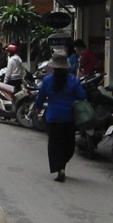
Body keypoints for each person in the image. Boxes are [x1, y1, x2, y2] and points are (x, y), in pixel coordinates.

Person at [33, 53, 86, 182]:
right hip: (69, 118)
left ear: (53, 67)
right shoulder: (73, 80)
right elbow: (82, 95)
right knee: (68, 144)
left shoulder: (47, 80)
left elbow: (40, 97)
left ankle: (60, 168)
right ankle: (62, 164)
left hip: (53, 117)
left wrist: (37, 108)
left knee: (55, 144)